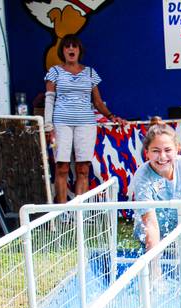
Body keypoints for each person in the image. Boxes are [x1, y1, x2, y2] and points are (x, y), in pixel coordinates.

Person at [44, 34, 125, 204]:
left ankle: (79, 211)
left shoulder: (90, 72)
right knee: (62, 167)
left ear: (80, 50)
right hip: (61, 122)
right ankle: (61, 212)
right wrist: (48, 125)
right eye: (67, 46)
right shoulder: (54, 71)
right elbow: (49, 98)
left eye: (74, 46)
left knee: (83, 168)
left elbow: (97, 101)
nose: (71, 49)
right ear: (62, 51)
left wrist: (111, 116)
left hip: (86, 123)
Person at [131, 122, 181, 253]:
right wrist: (155, 266)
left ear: (177, 149)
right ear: (147, 153)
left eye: (168, 150)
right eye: (155, 151)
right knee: (154, 264)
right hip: (150, 233)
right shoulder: (142, 176)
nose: (162, 157)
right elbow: (150, 224)